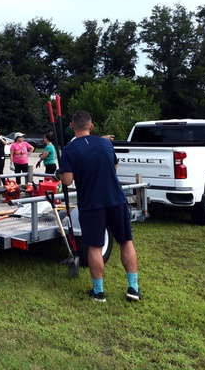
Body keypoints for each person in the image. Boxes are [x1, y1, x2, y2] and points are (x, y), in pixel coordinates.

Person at [59, 110, 141, 303]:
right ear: (92, 126)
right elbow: (114, 168)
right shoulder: (106, 143)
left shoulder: (69, 150)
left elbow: (68, 180)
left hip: (91, 203)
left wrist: (59, 175)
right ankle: (133, 288)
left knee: (95, 246)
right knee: (126, 241)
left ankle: (99, 292)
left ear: (72, 127)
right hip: (116, 199)